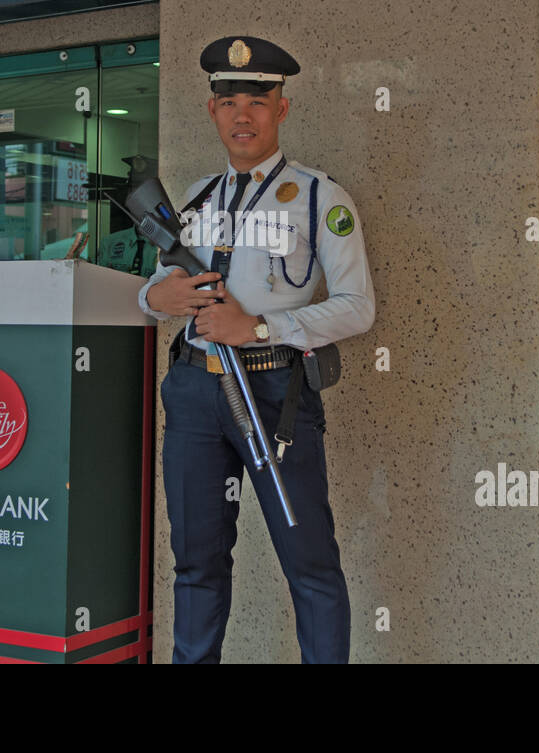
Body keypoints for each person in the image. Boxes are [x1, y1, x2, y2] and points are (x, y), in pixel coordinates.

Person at [138, 36, 376, 663]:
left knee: (311, 563)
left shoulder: (322, 197)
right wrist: (153, 302)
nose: (242, 114)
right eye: (229, 101)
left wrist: (261, 329)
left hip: (273, 392)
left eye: (258, 100)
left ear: (282, 108)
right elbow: (156, 290)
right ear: (212, 111)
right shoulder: (189, 199)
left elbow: (358, 307)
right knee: (196, 562)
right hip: (193, 391)